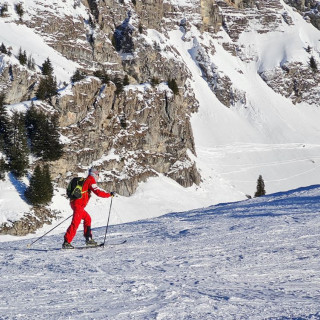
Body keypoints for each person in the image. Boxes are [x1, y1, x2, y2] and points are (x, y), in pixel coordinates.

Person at [62, 167, 114, 249]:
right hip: (78, 204)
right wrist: (109, 195)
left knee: (87, 219)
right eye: (97, 174)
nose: (98, 176)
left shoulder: (87, 180)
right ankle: (66, 242)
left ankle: (89, 239)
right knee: (75, 223)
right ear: (94, 174)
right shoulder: (90, 180)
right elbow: (98, 192)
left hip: (76, 204)